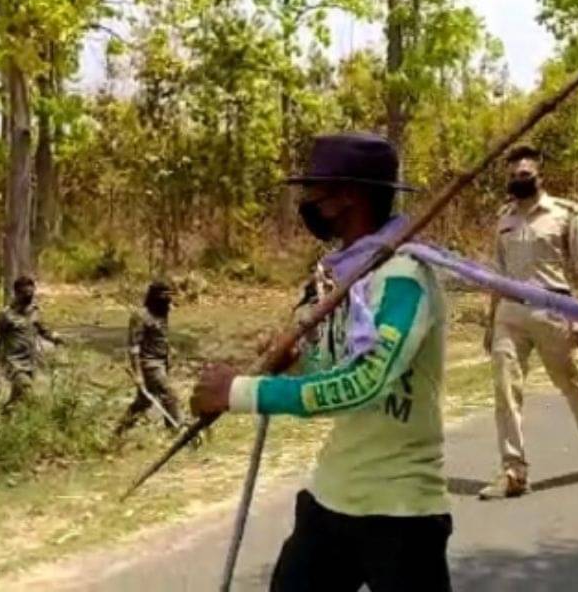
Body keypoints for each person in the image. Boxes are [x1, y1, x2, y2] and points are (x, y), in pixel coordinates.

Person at [192, 132, 453, 592]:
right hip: (332, 499)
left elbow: (365, 384)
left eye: (315, 191)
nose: (308, 202)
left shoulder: (404, 276)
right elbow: (334, 376)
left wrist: (239, 393)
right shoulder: (350, 276)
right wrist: (298, 363)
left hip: (400, 511)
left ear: (348, 196)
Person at [479, 144, 578, 500]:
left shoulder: (565, 213)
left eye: (525, 174)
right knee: (505, 390)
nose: (518, 179)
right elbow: (498, 276)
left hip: (552, 310)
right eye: (513, 175)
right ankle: (513, 471)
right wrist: (491, 323)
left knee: (572, 385)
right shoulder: (504, 218)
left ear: (540, 175)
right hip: (510, 312)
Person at [114, 281, 184, 435]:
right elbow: (134, 347)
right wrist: (138, 375)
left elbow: (160, 336)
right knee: (169, 394)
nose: (169, 300)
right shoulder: (140, 316)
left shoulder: (162, 312)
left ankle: (119, 431)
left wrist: (169, 352)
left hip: (162, 361)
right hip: (149, 363)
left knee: (143, 402)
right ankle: (177, 433)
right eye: (165, 295)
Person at [0, 275, 64, 412]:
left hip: (31, 363)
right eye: (25, 293)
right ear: (17, 293)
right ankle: (38, 422)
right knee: (28, 393)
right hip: (14, 364)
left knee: (17, 398)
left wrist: (55, 338)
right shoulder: (5, 315)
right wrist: (0, 358)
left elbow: (43, 330)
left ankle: (4, 416)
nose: (29, 296)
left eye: (31, 293)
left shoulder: (34, 311)